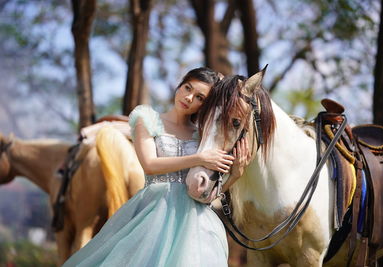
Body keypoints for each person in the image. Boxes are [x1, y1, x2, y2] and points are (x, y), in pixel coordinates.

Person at [62, 67, 249, 267]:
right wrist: (199, 158)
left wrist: (236, 174)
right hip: (154, 212)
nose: (188, 97)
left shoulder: (201, 133)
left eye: (199, 98)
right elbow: (150, 165)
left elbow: (207, 195)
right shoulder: (148, 119)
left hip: (197, 221)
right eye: (187, 88)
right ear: (180, 85)